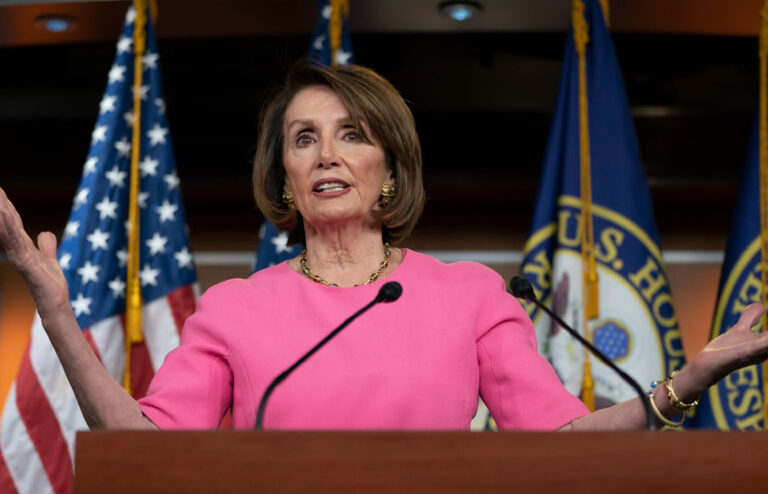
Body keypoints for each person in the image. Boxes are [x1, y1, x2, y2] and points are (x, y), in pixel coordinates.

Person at [1, 62, 767, 431]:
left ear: (391, 171)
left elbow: (562, 440)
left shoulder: (469, 295)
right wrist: (59, 313)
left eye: (352, 135)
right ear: (287, 178)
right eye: (305, 140)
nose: (327, 154)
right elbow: (147, 445)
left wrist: (688, 380)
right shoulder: (233, 310)